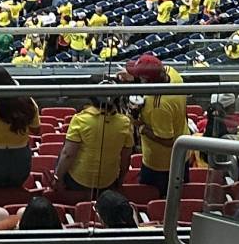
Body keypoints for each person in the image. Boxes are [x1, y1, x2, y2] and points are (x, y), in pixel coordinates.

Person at [128, 53, 192, 199]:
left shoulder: (158, 106)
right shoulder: (172, 73)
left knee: (158, 200)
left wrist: (141, 127)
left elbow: (168, 140)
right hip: (182, 154)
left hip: (161, 164)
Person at [58, 95, 134, 199]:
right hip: (108, 181)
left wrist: (58, 179)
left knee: (62, 153)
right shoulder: (125, 123)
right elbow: (126, 157)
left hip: (79, 181)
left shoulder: (80, 119)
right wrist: (120, 181)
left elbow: (68, 155)